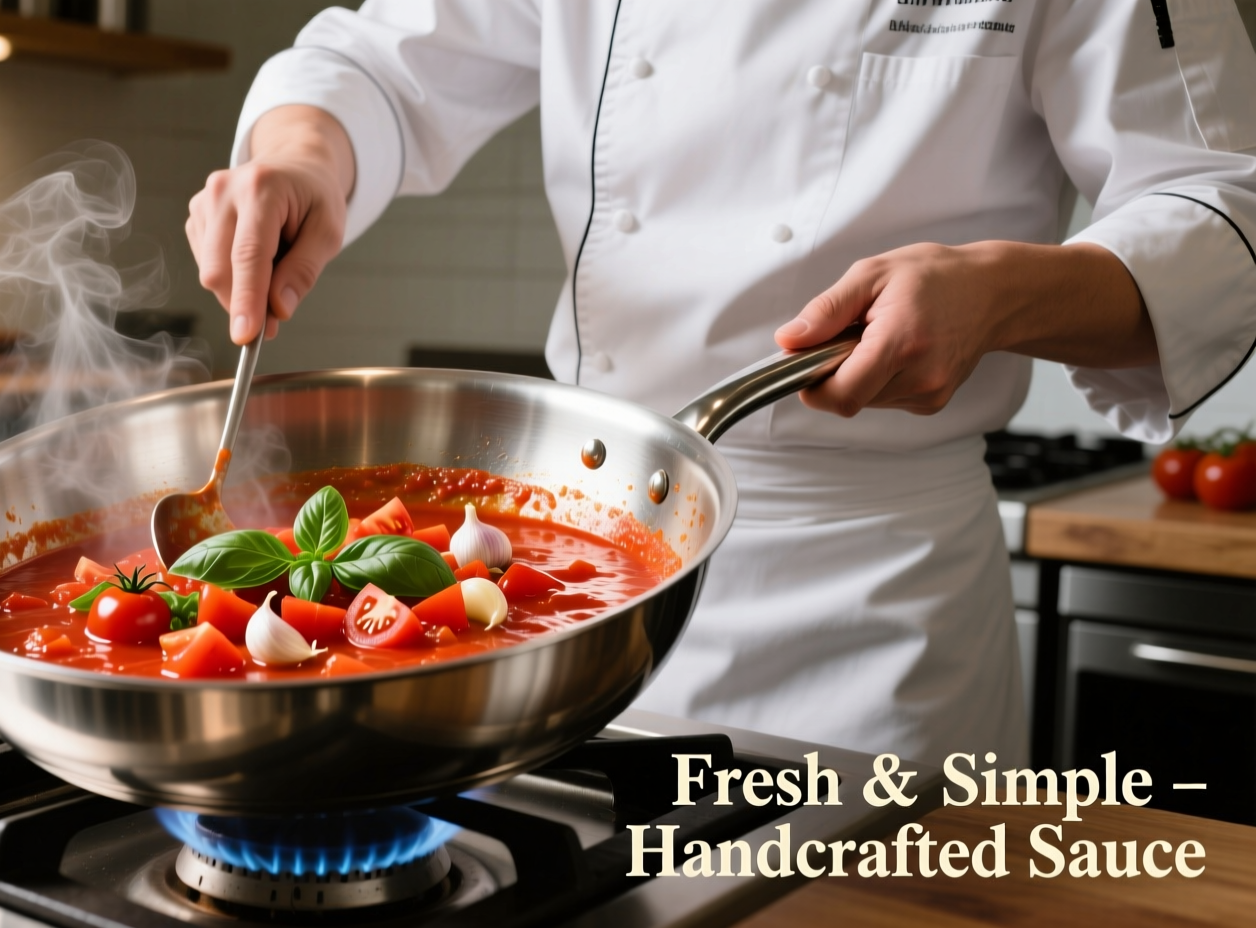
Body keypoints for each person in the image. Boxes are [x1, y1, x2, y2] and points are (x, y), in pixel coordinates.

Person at [184, 1, 1256, 765]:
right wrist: (302, 156)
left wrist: (999, 293)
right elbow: (386, 60)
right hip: (577, 602)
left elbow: (1223, 208)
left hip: (867, 617)